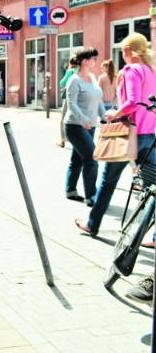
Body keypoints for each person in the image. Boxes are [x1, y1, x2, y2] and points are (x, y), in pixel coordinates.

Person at [76, 33, 156, 236]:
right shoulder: (152, 71)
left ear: (129, 51)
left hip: (130, 135)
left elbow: (132, 102)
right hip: (149, 135)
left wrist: (114, 114)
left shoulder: (131, 70)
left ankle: (92, 223)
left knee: (108, 181)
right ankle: (154, 236)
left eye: (122, 51)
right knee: (152, 188)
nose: (122, 55)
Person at [62, 47, 106, 206]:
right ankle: (91, 196)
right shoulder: (74, 80)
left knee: (78, 159)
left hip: (91, 125)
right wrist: (83, 119)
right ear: (85, 61)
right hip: (75, 126)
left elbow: (98, 99)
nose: (96, 61)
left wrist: (104, 116)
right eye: (94, 58)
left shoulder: (93, 77)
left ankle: (70, 190)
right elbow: (71, 103)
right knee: (91, 158)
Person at [57, 56, 78, 148]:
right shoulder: (82, 71)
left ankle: (62, 140)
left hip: (69, 98)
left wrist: (69, 71)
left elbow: (62, 83)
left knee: (63, 118)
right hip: (80, 98)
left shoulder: (71, 71)